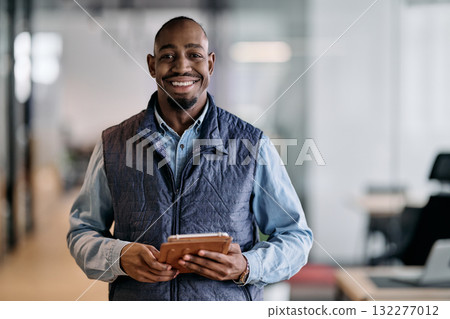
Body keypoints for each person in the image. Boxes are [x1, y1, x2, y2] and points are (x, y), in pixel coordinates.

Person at [67, 16, 313, 301]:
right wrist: (118, 257)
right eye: (168, 55)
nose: (182, 66)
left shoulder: (252, 144)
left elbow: (296, 237)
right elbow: (82, 231)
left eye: (194, 55)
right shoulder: (113, 144)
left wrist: (247, 265)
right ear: (151, 65)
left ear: (210, 64)